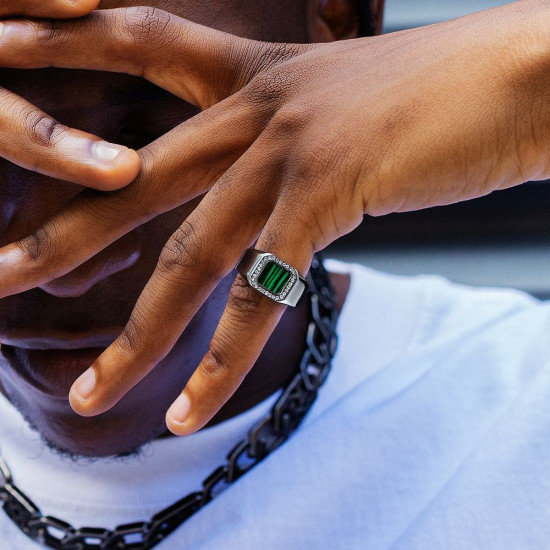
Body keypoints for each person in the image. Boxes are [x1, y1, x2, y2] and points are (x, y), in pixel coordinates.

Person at [0, 0, 549, 548]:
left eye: (153, 133)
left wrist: (532, 83)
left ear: (336, 24)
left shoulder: (525, 408)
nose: (64, 273)